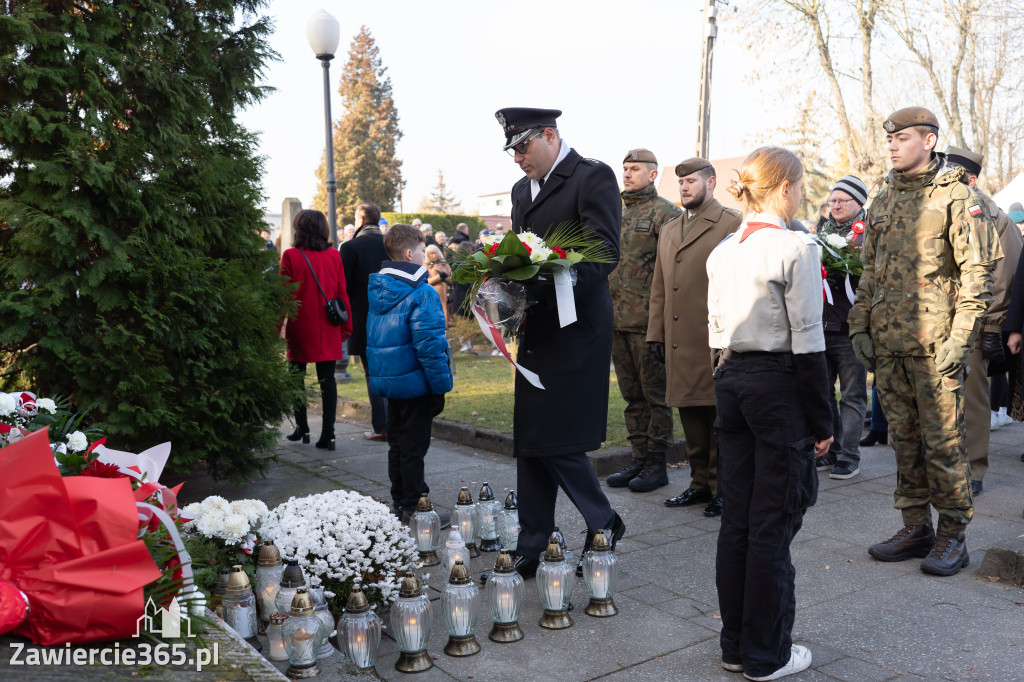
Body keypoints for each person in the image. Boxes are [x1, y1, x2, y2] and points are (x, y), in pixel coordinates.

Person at [848, 107, 1001, 576]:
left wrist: (961, 338)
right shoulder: (884, 199)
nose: (892, 146)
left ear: (929, 141)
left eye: (903, 138)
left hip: (937, 347)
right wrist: (860, 323)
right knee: (905, 441)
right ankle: (916, 528)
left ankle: (953, 536)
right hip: (890, 345)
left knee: (943, 444)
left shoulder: (957, 197)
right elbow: (869, 271)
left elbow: (979, 274)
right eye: (890, 140)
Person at [481, 107, 625, 583]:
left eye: (524, 146)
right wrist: (505, 281)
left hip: (577, 324)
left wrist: (551, 274)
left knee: (558, 435)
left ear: (549, 135)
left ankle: (602, 519)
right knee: (532, 435)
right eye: (512, 150)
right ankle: (532, 542)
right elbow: (523, 250)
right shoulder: (522, 191)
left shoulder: (592, 177)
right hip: (539, 325)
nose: (518, 158)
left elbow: (604, 251)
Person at [708, 146, 832, 681]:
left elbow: (715, 333)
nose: (802, 195)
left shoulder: (724, 248)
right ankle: (766, 654)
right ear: (785, 189)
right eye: (799, 186)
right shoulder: (795, 247)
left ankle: (736, 645)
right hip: (777, 384)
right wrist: (822, 421)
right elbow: (808, 340)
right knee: (771, 523)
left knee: (739, 520)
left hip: (731, 379)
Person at [654, 158, 742, 517]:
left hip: (714, 334)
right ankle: (698, 484)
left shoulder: (732, 222)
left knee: (719, 414)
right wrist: (655, 335)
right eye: (681, 182)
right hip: (678, 336)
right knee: (689, 411)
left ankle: (724, 488)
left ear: (711, 182)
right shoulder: (670, 228)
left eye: (692, 181)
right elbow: (659, 286)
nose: (685, 187)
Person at [945, 146, 1022, 496]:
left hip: (974, 323)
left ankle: (973, 469)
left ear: (971, 179)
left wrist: (992, 326)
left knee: (973, 400)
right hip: (935, 321)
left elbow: (1005, 275)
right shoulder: (939, 208)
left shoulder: (992, 216)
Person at [605, 149, 681, 493]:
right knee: (631, 396)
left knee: (656, 396)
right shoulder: (614, 211)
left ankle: (656, 462)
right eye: (624, 168)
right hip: (616, 321)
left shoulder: (666, 213)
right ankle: (638, 457)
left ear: (652, 174)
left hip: (649, 322)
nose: (627, 174)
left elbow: (674, 270)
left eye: (635, 169)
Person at [366, 223, 453, 523]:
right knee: (414, 447)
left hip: (393, 384)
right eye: (420, 250)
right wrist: (439, 387)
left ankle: (401, 500)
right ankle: (417, 509)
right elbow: (430, 346)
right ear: (408, 253)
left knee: (398, 444)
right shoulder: (422, 292)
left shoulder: (380, 289)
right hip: (417, 384)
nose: (424, 257)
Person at [279, 209, 353, 451]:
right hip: (328, 326)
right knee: (327, 381)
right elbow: (342, 292)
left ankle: (302, 427)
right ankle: (329, 435)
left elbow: (284, 297)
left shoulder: (291, 255)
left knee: (295, 378)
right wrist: (346, 325)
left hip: (301, 325)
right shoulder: (334, 255)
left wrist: (274, 328)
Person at [815, 175, 870, 480]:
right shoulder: (822, 232)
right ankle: (830, 450)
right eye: (832, 200)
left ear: (858, 203)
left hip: (851, 330)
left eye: (841, 201)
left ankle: (849, 456)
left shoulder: (868, 234)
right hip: (821, 327)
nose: (834, 205)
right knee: (823, 393)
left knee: (852, 396)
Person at [340, 202, 390, 441]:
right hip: (392, 316)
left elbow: (344, 287)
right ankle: (395, 424)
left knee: (372, 374)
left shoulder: (350, 247)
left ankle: (381, 426)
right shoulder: (390, 244)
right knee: (392, 370)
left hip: (363, 319)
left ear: (359, 221)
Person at [425, 244, 451, 326]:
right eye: (431, 253)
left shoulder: (444, 264)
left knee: (447, 310)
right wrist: (439, 277)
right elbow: (426, 281)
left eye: (435, 253)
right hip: (434, 292)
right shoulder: (426, 266)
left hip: (447, 292)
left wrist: (446, 278)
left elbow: (453, 279)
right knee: (437, 312)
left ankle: (449, 325)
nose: (434, 255)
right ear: (428, 255)